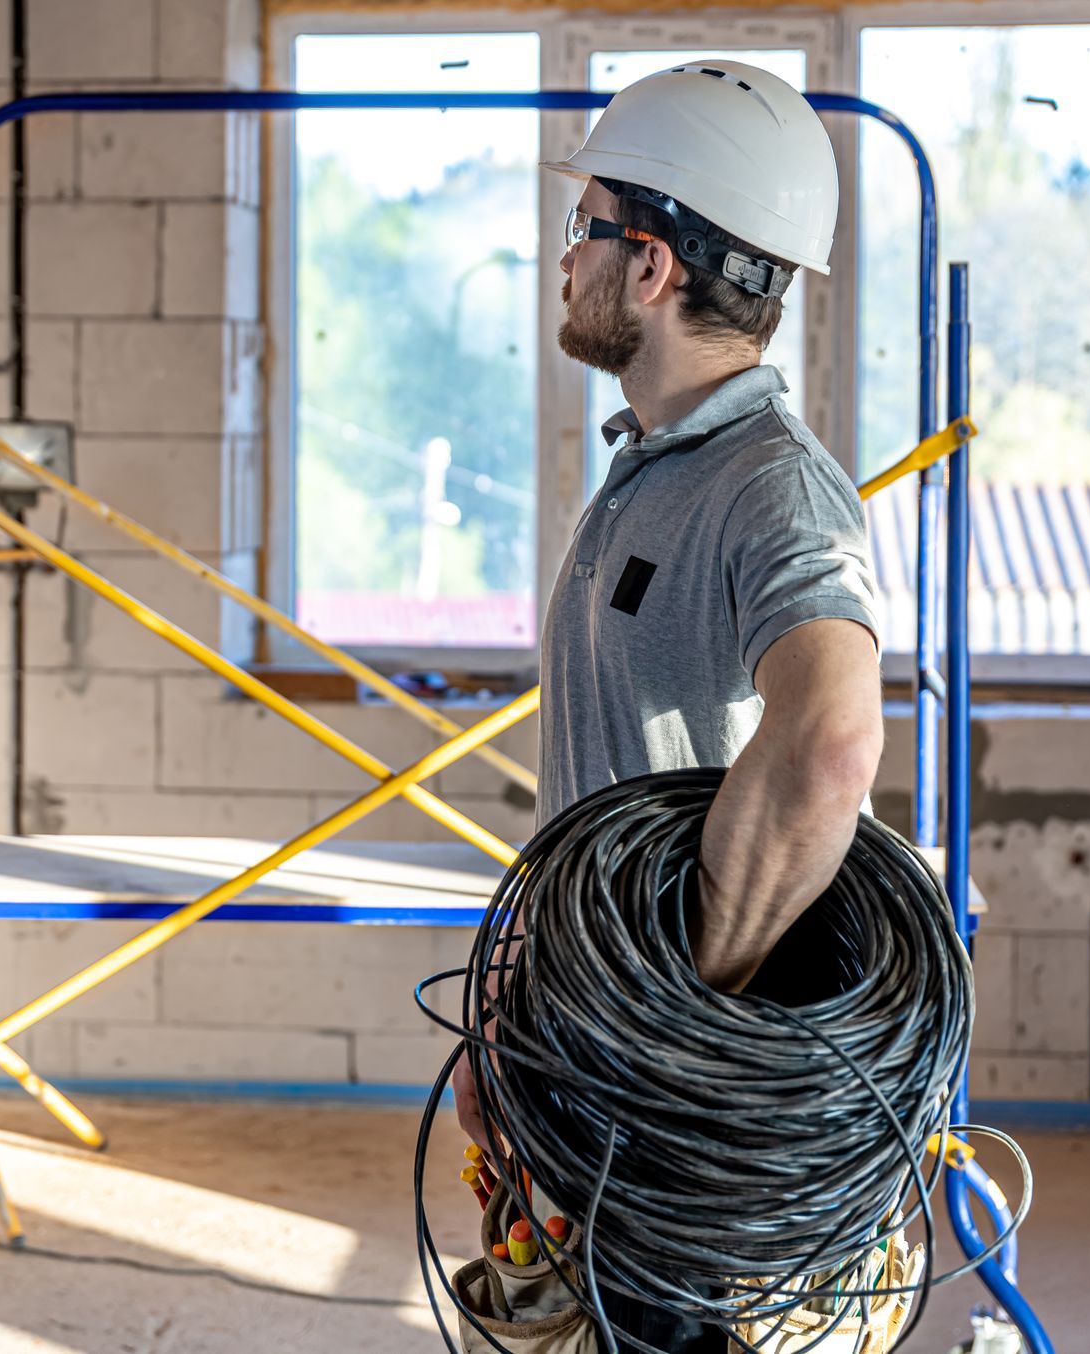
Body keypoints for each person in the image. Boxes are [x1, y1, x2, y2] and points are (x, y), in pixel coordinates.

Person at [454, 61, 886, 1352]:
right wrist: (526, 1008)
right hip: (581, 1044)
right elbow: (598, 781)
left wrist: (663, 1009)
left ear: (647, 267)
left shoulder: (773, 491)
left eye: (582, 226)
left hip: (666, 1104)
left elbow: (830, 741)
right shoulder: (651, 469)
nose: (562, 258)